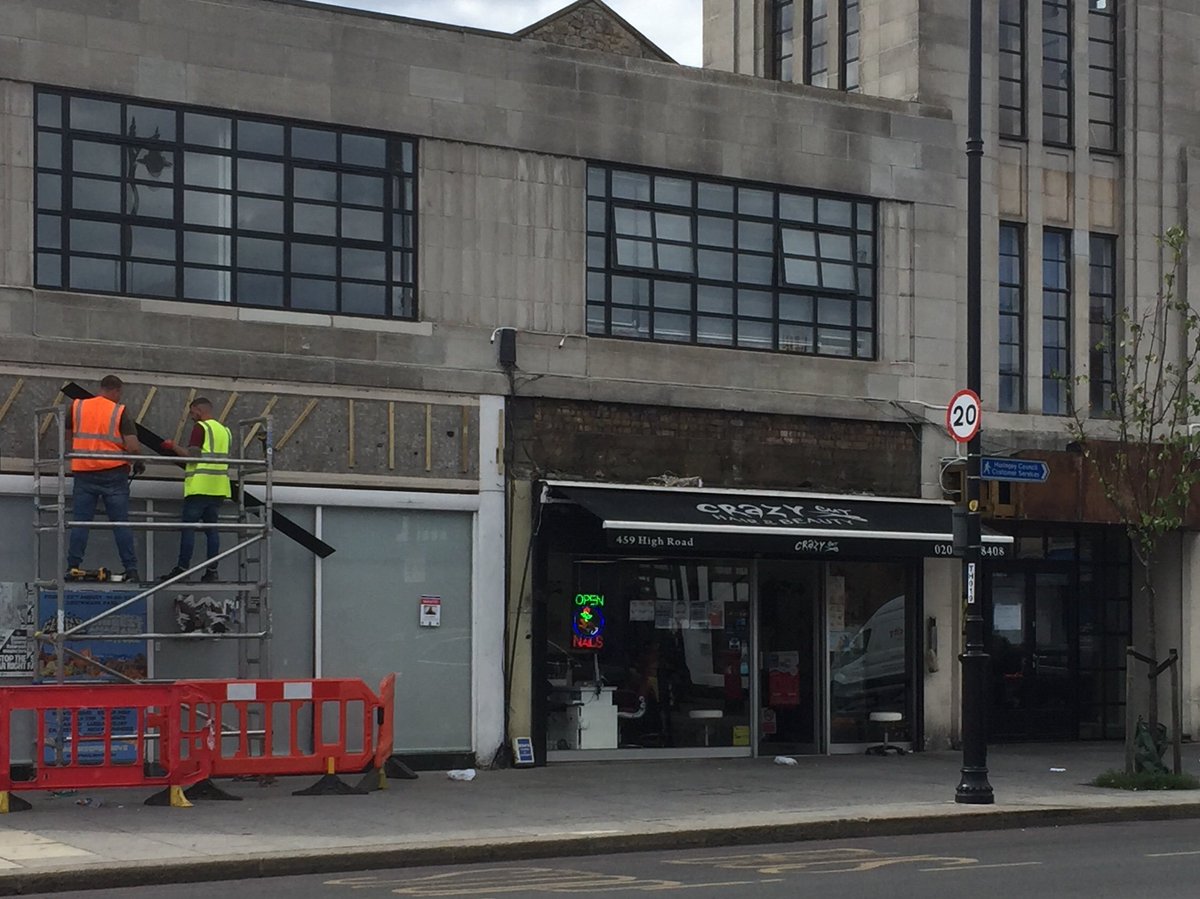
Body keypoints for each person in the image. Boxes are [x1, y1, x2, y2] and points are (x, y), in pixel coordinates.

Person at [66, 374, 142, 582]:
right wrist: (138, 461)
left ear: (101, 388)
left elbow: (69, 436)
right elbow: (133, 446)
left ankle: (72, 567)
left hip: (83, 471)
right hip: (113, 473)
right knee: (120, 523)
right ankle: (131, 569)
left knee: (80, 522)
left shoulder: (77, 406)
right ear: (116, 391)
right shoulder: (119, 411)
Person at [160, 397, 232, 583]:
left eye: (192, 413)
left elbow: (192, 457)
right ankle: (212, 572)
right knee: (212, 530)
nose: (192, 417)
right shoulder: (225, 431)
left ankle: (182, 570)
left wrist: (173, 446)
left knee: (188, 528)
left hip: (199, 487)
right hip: (218, 489)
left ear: (198, 410)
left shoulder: (201, 428)